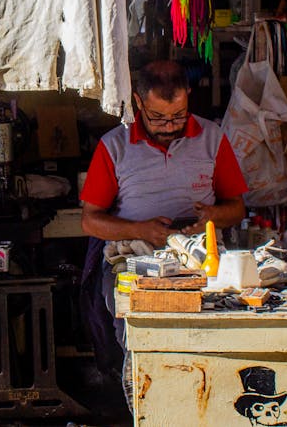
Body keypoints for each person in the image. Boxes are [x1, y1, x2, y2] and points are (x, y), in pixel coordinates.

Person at [77, 60, 247, 390]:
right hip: (134, 255)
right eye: (158, 118)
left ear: (188, 99)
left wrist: (211, 216)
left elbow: (237, 208)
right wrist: (141, 230)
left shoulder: (212, 137)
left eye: (178, 116)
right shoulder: (114, 145)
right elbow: (90, 221)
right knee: (143, 344)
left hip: (201, 254)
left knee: (208, 342)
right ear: (138, 103)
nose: (169, 126)